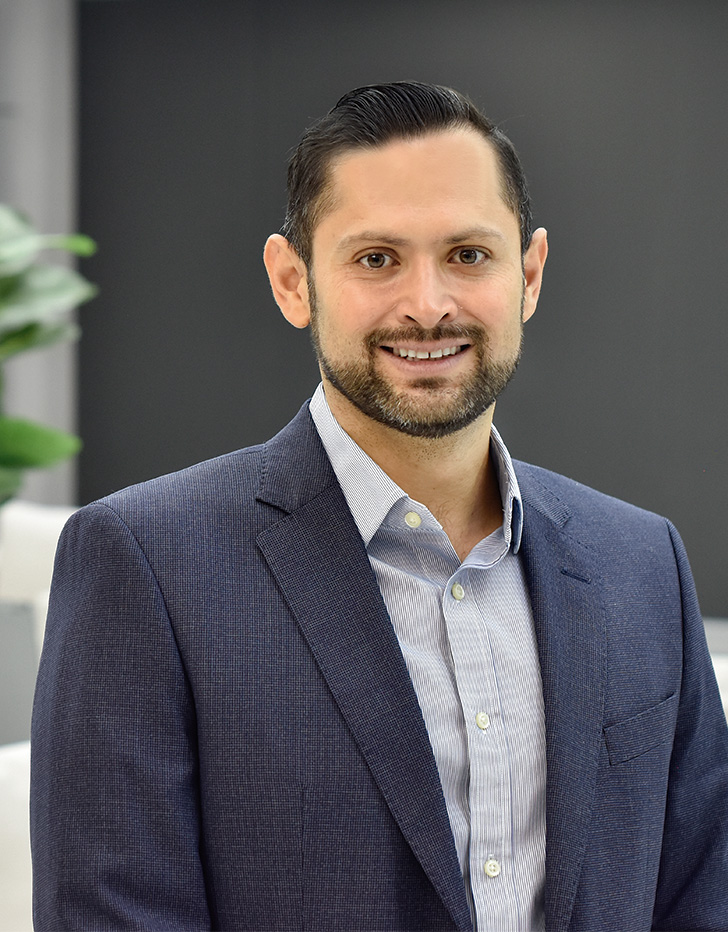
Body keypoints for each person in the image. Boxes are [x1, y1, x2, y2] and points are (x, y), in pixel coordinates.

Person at [31, 82, 728, 932]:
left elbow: (702, 895)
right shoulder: (144, 566)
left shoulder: (642, 561)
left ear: (529, 274)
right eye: (376, 259)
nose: (428, 303)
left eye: (468, 255)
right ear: (294, 283)